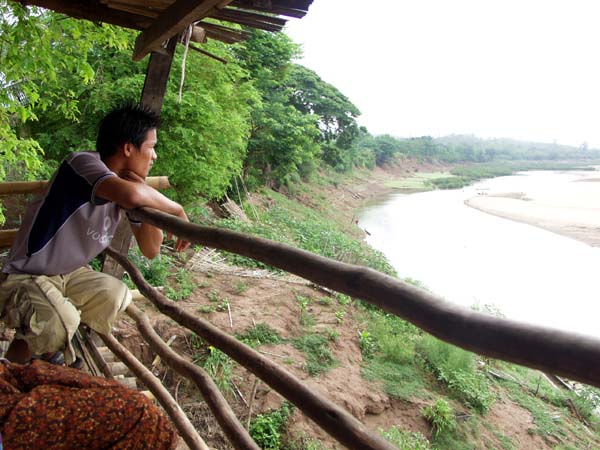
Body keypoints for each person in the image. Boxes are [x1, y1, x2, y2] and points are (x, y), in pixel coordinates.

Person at [0, 104, 190, 366]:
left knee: (116, 294)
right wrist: (176, 209)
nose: (154, 156)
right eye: (151, 147)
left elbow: (151, 248)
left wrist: (140, 189)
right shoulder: (83, 164)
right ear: (127, 148)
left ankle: (39, 346)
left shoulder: (127, 187)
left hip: (71, 274)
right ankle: (49, 353)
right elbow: (132, 196)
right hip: (27, 274)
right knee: (57, 322)